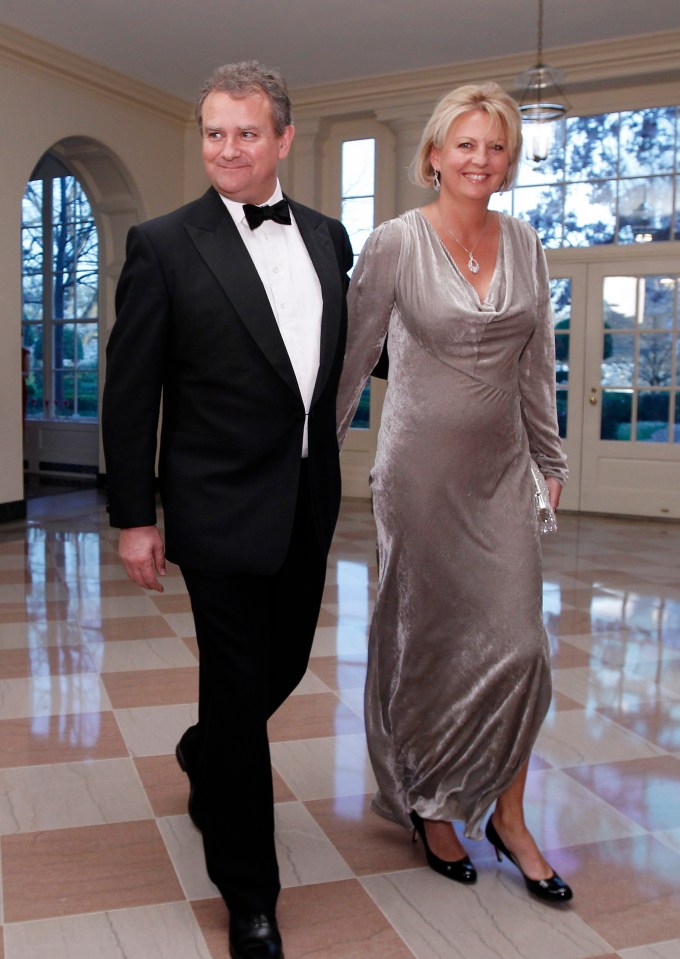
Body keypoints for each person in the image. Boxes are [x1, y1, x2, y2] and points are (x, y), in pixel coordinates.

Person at [102, 60, 352, 959]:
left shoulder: (328, 236)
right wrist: (136, 514)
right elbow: (131, 393)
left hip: (307, 500)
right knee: (239, 692)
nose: (228, 148)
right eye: (214, 131)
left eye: (247, 132)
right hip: (213, 508)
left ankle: (205, 751)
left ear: (283, 138)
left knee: (275, 670)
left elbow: (338, 362)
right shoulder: (165, 244)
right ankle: (250, 892)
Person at [337, 82, 572, 903]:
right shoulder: (396, 243)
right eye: (465, 144)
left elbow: (536, 364)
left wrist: (551, 458)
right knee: (427, 645)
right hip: (417, 475)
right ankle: (432, 804)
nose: (480, 159)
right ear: (434, 154)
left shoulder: (530, 244)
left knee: (520, 649)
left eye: (495, 146)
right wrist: (308, 464)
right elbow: (354, 358)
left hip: (501, 473)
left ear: (509, 162)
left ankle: (507, 813)